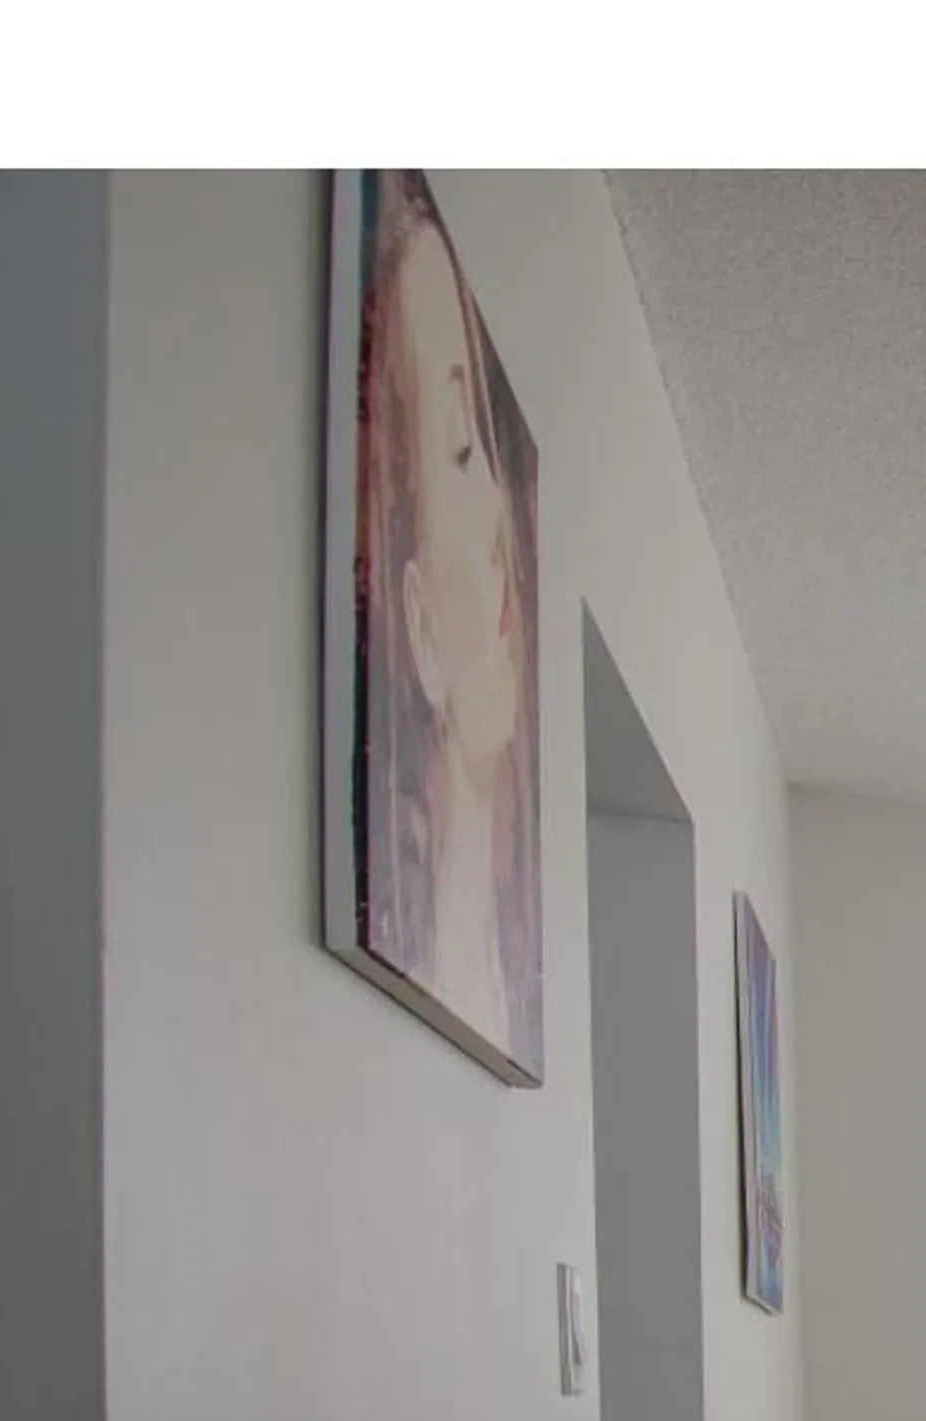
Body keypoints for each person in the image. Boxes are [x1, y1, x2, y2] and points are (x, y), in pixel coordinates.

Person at [354, 169, 542, 1077]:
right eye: (463, 452)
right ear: (420, 633)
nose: (504, 515)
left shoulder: (502, 978)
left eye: (487, 454)